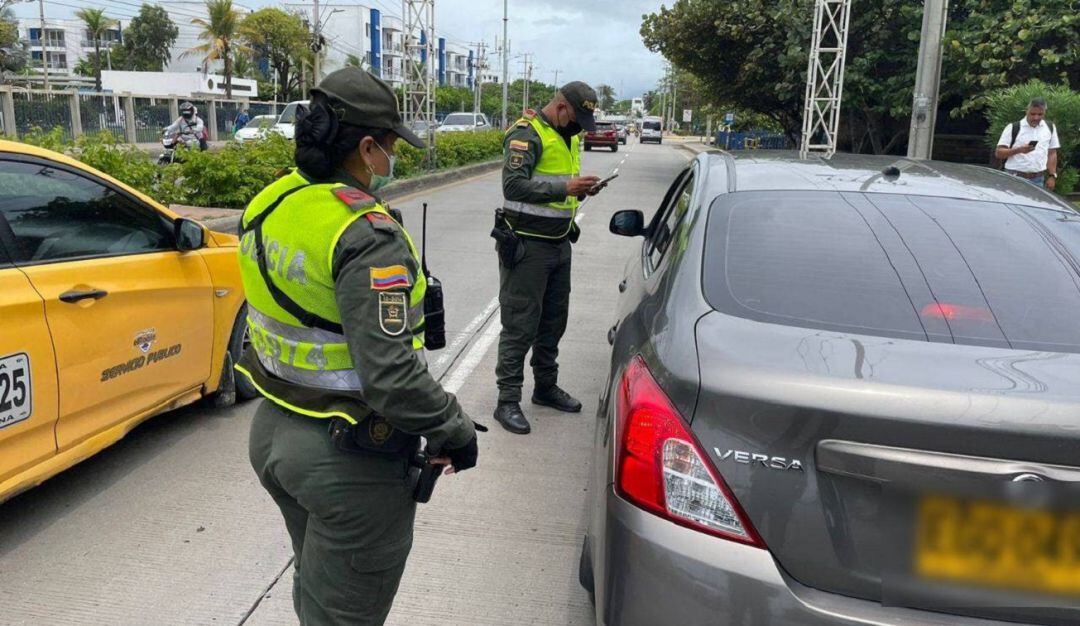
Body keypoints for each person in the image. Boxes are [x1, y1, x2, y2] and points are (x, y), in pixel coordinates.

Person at [238, 67, 480, 625]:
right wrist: (455, 430)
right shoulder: (366, 234)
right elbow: (392, 377)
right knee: (344, 613)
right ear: (367, 148)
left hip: (275, 436)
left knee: (318, 588)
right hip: (345, 458)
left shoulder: (271, 202)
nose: (393, 159)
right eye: (391, 146)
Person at [491, 81, 605, 434]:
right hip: (527, 246)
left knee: (553, 321)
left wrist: (582, 190)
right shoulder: (527, 135)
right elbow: (514, 187)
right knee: (520, 322)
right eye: (576, 117)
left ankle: (545, 387)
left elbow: (561, 190)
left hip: (558, 244)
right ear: (560, 106)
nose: (579, 127)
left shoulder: (568, 136)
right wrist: (565, 187)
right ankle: (507, 400)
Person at [995, 97, 1061, 190]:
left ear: (1045, 113)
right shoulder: (1013, 127)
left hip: (1038, 179)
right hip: (1014, 177)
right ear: (1026, 111)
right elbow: (999, 153)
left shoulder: (1050, 127)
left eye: (1040, 114)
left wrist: (1052, 176)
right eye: (1032, 114)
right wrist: (1019, 150)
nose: (1036, 117)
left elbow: (1052, 153)